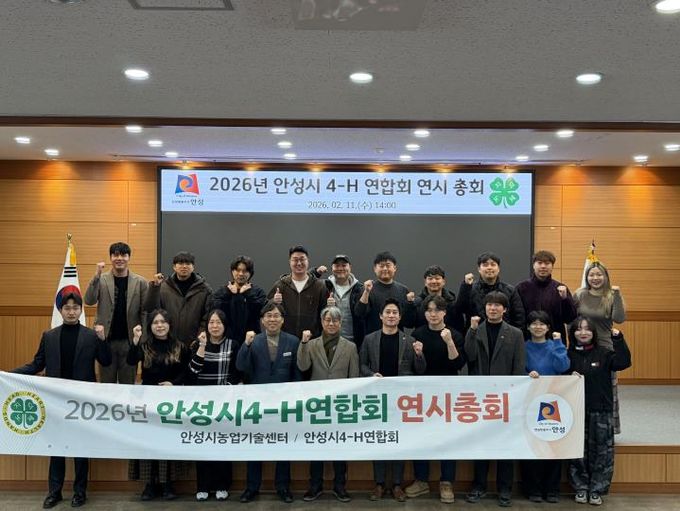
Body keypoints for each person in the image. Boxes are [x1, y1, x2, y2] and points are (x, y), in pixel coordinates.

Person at [13, 291, 112, 509]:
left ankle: (80, 492)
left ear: (81, 310)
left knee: (80, 449)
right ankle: (54, 492)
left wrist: (103, 340)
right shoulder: (49, 336)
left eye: (75, 308)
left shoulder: (91, 336)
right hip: (55, 402)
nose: (71, 312)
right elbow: (36, 364)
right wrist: (8, 375)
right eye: (67, 308)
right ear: (60, 310)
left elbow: (106, 361)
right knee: (56, 448)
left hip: (81, 402)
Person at [359, 299, 426, 502]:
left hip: (401, 401)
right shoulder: (370, 339)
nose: (391, 315)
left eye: (395, 312)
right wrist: (371, 375)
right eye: (387, 312)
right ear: (380, 316)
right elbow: (362, 365)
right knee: (379, 440)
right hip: (376, 399)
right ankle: (379, 484)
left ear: (400, 317)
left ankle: (397, 485)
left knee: (398, 441)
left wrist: (419, 354)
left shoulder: (410, 340)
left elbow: (420, 371)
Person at [235, 302, 302, 504]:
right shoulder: (253, 341)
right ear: (262, 320)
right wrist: (245, 345)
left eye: (276, 316)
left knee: (283, 445)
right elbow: (241, 366)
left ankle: (283, 487)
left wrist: (296, 398)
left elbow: (297, 373)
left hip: (284, 404)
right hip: (258, 404)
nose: (272, 319)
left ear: (283, 320)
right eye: (268, 316)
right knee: (255, 445)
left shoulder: (293, 341)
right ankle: (251, 487)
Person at [464, 291, 525, 508]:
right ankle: (479, 486)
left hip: (506, 398)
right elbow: (469, 355)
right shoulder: (476, 329)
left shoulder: (515, 333)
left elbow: (519, 366)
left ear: (505, 309)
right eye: (489, 305)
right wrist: (471, 330)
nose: (493, 308)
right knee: (481, 443)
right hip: (481, 398)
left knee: (505, 444)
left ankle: (505, 488)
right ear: (485, 308)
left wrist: (514, 395)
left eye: (498, 305)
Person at [405, 295, 466, 504]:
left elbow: (458, 364)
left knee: (447, 438)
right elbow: (415, 367)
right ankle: (421, 480)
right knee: (421, 436)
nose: (433, 314)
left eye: (437, 310)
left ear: (444, 313)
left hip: (448, 394)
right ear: (424, 313)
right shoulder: (418, 334)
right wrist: (418, 354)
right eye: (429, 310)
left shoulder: (454, 334)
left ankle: (446, 482)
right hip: (422, 394)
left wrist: (449, 342)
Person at [126, 309, 191, 501]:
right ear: (150, 326)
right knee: (148, 441)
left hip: (172, 402)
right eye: (155, 322)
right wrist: (135, 340)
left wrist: (174, 384)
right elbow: (131, 360)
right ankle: (149, 484)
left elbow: (188, 372)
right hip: (148, 402)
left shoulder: (180, 346)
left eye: (163, 322)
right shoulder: (145, 346)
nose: (160, 325)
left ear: (169, 325)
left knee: (168, 441)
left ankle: (167, 484)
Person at [297, 306, 359, 503]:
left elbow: (354, 377)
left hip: (341, 404)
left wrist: (351, 404)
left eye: (335, 320)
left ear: (340, 323)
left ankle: (340, 486)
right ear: (322, 322)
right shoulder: (311, 344)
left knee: (340, 447)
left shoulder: (350, 347)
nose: (331, 324)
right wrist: (303, 343)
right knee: (317, 446)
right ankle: (315, 486)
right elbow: (303, 366)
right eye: (327, 320)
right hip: (318, 404)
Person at [567, 318, 631, 506]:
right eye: (578, 329)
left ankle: (597, 490)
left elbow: (623, 362)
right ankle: (580, 488)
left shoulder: (603, 353)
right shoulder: (567, 355)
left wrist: (618, 339)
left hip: (601, 410)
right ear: (573, 333)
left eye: (587, 329)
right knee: (577, 451)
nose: (583, 333)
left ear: (593, 333)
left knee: (602, 452)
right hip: (575, 411)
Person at [188, 309, 242, 502]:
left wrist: (225, 391)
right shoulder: (198, 344)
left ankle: (222, 485)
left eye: (218, 322)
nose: (215, 326)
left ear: (225, 325)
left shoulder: (233, 345)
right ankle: (203, 486)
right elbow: (192, 372)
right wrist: (202, 347)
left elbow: (237, 372)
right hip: (202, 405)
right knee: (203, 444)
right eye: (211, 322)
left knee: (222, 444)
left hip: (224, 403)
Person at [521, 311, 570, 503]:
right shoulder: (523, 346)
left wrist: (558, 343)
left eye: (542, 324)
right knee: (531, 445)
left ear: (548, 327)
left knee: (552, 445)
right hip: (530, 400)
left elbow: (563, 367)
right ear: (528, 327)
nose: (538, 327)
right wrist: (527, 374)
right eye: (534, 323)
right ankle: (532, 488)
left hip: (552, 400)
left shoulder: (555, 345)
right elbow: (518, 368)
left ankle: (552, 489)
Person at [573, 261, 626, 433]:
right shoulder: (579, 294)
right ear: (587, 277)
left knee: (606, 389)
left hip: (604, 348)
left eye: (599, 274)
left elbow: (619, 318)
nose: (595, 278)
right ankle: (580, 427)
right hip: (582, 348)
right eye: (591, 274)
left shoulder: (611, 295)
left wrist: (617, 295)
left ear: (605, 276)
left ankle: (608, 428)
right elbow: (571, 320)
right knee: (582, 388)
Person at [83, 241, 147, 384]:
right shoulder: (101, 279)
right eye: (115, 255)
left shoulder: (141, 282)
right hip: (106, 340)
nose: (119, 258)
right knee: (106, 384)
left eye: (123, 255)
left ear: (129, 258)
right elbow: (89, 300)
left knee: (128, 385)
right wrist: (96, 276)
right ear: (110, 257)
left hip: (130, 341)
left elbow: (145, 311)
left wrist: (142, 338)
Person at [143, 251, 213, 346]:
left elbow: (207, 317)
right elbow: (150, 310)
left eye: (188, 263)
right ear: (174, 267)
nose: (184, 266)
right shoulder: (163, 287)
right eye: (180, 263)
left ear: (193, 267)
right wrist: (155, 287)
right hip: (168, 342)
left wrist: (199, 338)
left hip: (194, 343)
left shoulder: (204, 289)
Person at [268, 245, 327, 341]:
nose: (299, 263)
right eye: (295, 260)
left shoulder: (319, 286)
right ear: (290, 262)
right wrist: (273, 301)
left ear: (308, 261)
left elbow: (325, 313)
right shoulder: (280, 285)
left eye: (302, 259)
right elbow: (266, 308)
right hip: (286, 340)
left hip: (312, 339)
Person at [515, 250, 577, 341]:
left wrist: (565, 299)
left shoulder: (560, 288)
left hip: (554, 341)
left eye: (547, 263)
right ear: (533, 265)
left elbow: (570, 319)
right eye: (539, 263)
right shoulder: (521, 288)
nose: (543, 266)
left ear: (552, 266)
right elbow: (516, 317)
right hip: (527, 340)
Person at [458, 251, 525, 330]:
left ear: (498, 268)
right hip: (477, 334)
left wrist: (514, 335)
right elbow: (460, 309)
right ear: (479, 269)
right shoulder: (470, 288)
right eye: (485, 265)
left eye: (493, 264)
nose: (489, 268)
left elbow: (519, 317)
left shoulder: (510, 290)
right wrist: (465, 286)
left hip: (504, 334)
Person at [354, 251, 417, 335]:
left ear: (394, 268)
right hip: (373, 339)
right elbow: (360, 314)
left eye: (388, 265)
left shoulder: (403, 290)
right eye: (381, 266)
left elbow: (409, 323)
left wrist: (410, 303)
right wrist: (366, 292)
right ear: (375, 269)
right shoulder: (367, 289)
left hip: (398, 339)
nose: (385, 269)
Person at [210, 255, 266, 343]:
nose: (240, 274)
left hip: (251, 340)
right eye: (238, 270)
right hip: (226, 341)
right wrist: (228, 294)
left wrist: (248, 294)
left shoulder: (258, 292)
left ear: (250, 273)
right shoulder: (223, 291)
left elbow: (261, 312)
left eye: (245, 271)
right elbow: (215, 311)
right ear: (232, 271)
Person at [322, 254, 366, 348]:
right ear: (332, 268)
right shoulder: (325, 286)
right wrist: (326, 307)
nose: (340, 268)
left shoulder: (359, 289)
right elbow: (306, 278)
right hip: (328, 342)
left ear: (350, 267)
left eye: (344, 265)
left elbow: (362, 314)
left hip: (353, 343)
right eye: (337, 265)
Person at [414, 265, 464, 333]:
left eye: (437, 278)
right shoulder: (418, 303)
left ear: (443, 281)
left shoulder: (451, 301)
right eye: (430, 279)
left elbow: (459, 325)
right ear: (425, 282)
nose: (434, 281)